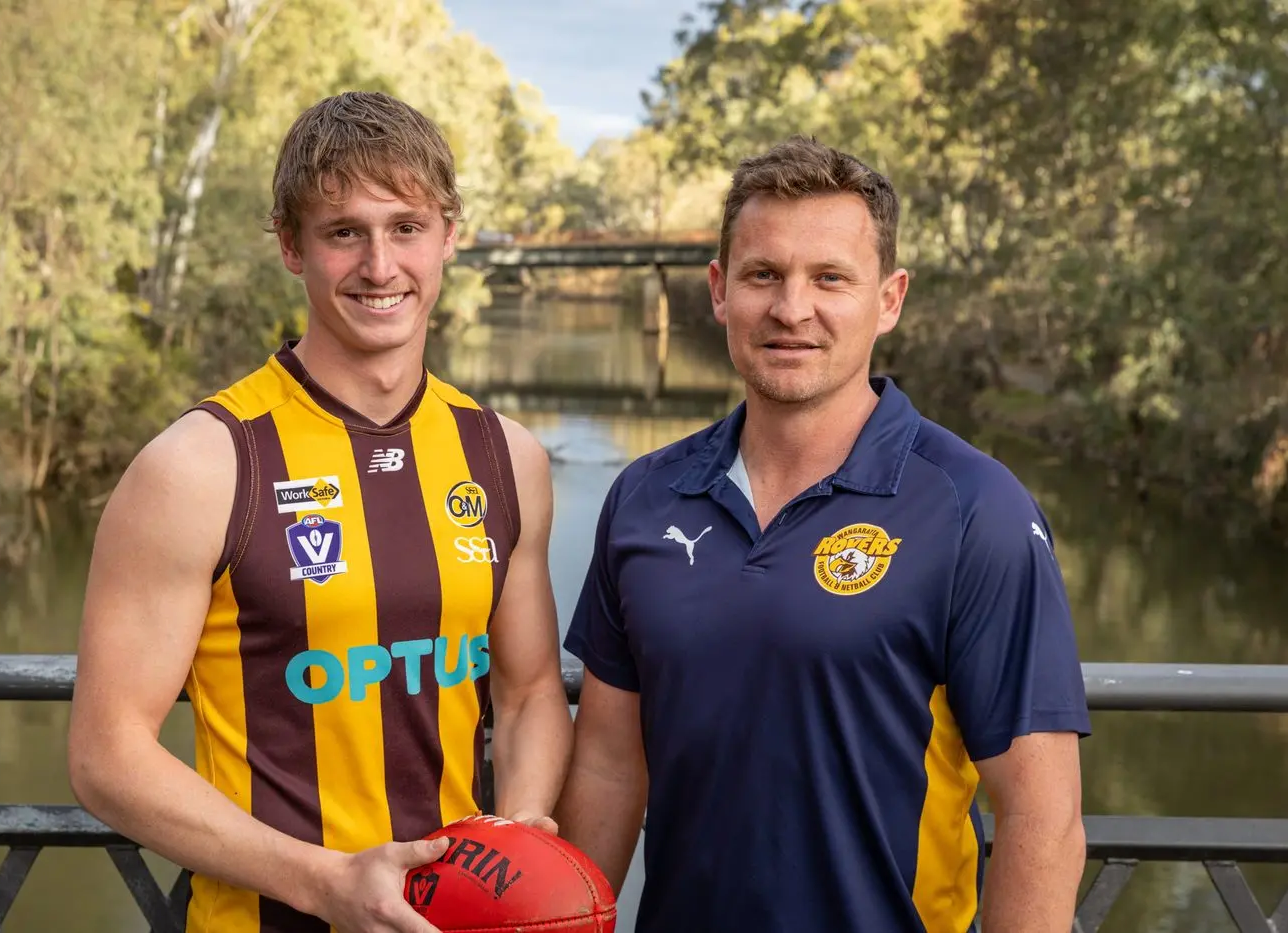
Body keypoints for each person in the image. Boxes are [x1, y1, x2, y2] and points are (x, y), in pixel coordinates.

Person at [554, 136, 1091, 932]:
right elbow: (605, 764)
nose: (790, 309)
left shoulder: (975, 509)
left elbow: (1042, 822)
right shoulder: (643, 495)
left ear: (889, 299)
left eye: (829, 278)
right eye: (763, 274)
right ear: (718, 289)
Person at [68, 91, 573, 933]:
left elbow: (525, 694)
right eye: (345, 232)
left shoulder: (504, 458)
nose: (380, 266)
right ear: (291, 246)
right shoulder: (202, 463)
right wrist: (324, 882)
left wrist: (510, 842)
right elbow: (105, 756)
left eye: (406, 226)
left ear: (449, 234)